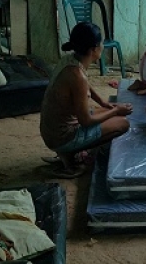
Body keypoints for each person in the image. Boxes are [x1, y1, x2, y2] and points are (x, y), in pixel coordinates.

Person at [39, 22, 133, 178]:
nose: (103, 46)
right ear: (93, 49)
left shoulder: (70, 60)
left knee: (108, 111)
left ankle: (67, 154)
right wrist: (116, 110)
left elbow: (85, 84)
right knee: (123, 123)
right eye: (101, 43)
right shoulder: (77, 76)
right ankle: (70, 157)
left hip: (51, 130)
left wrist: (103, 102)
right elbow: (86, 121)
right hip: (61, 137)